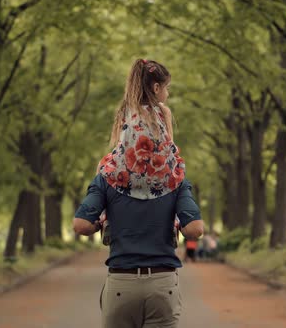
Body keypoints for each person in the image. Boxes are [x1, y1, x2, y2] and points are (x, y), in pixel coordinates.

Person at [73, 59, 204, 328]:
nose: (167, 93)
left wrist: (101, 223)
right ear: (156, 88)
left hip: (120, 284)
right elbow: (195, 231)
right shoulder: (174, 177)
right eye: (166, 88)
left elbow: (81, 225)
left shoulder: (108, 174)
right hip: (163, 284)